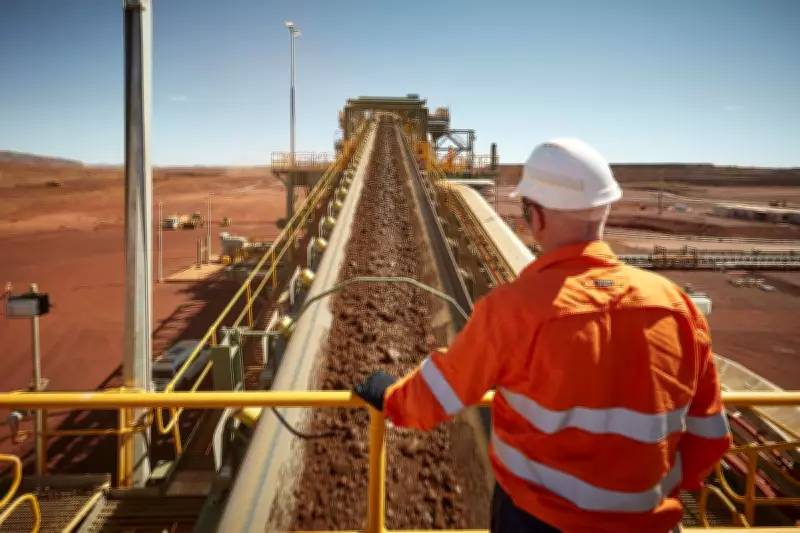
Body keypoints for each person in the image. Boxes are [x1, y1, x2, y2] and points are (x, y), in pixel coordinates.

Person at [353, 138, 732, 533]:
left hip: (536, 520)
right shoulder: (676, 306)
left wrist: (390, 397)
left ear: (536, 217)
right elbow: (710, 436)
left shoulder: (513, 308)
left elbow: (443, 391)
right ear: (604, 209)